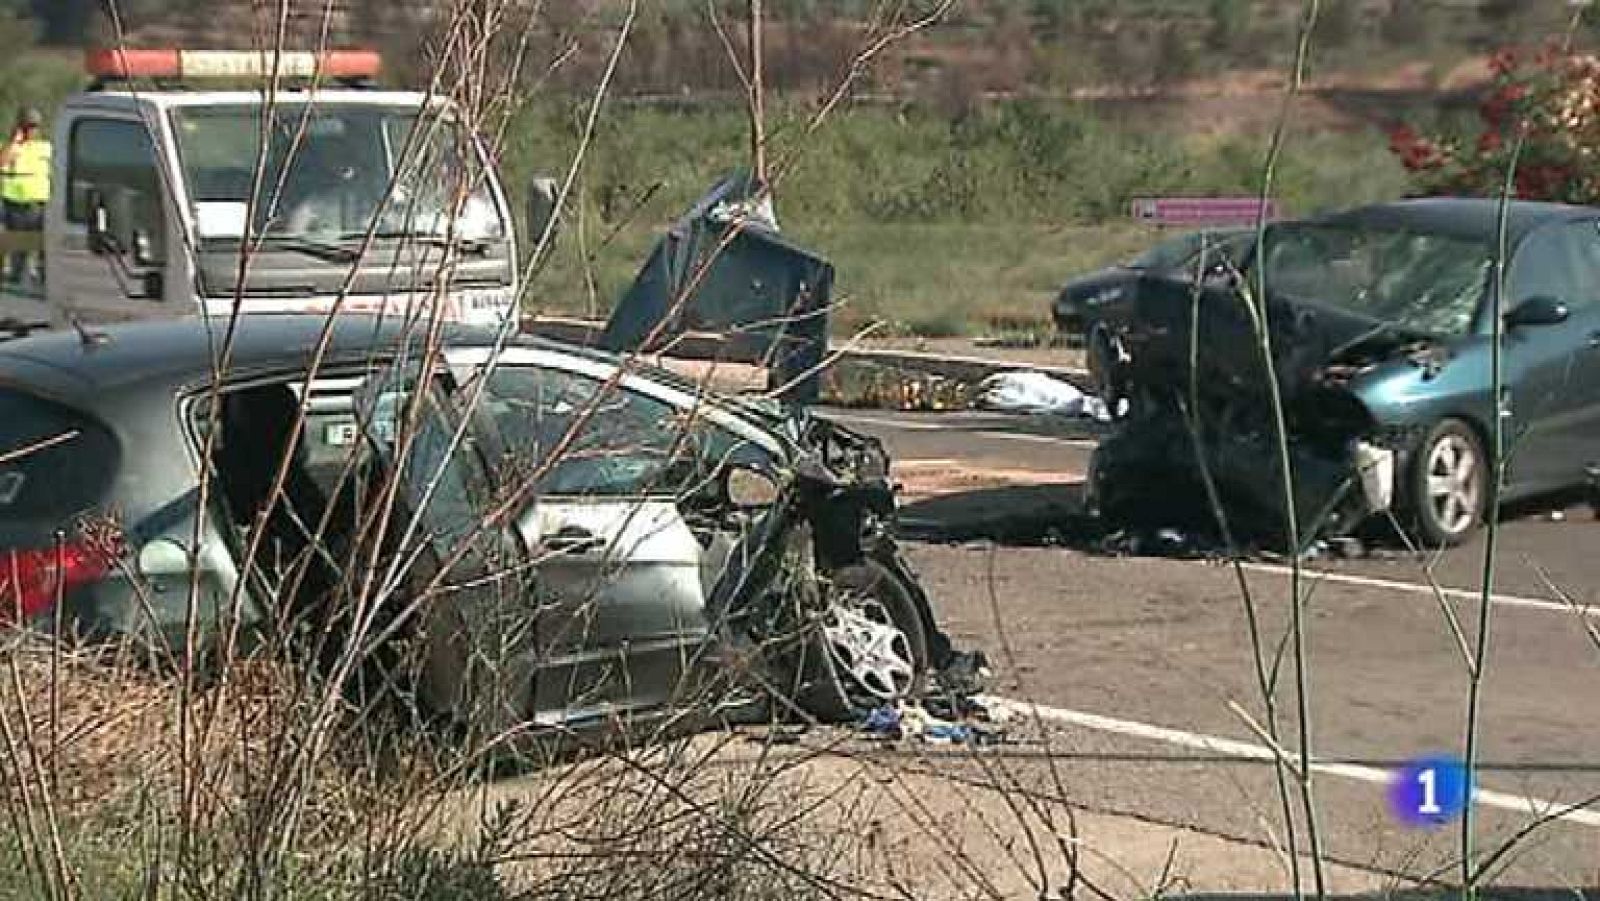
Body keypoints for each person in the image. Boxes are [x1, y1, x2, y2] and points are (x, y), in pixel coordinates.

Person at [0, 108, 50, 285]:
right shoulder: (10, 147)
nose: (32, 131)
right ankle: (15, 278)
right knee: (20, 249)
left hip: (41, 204)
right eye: (28, 126)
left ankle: (43, 278)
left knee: (45, 246)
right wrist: (15, 143)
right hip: (16, 206)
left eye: (35, 127)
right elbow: (2, 163)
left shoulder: (45, 147)